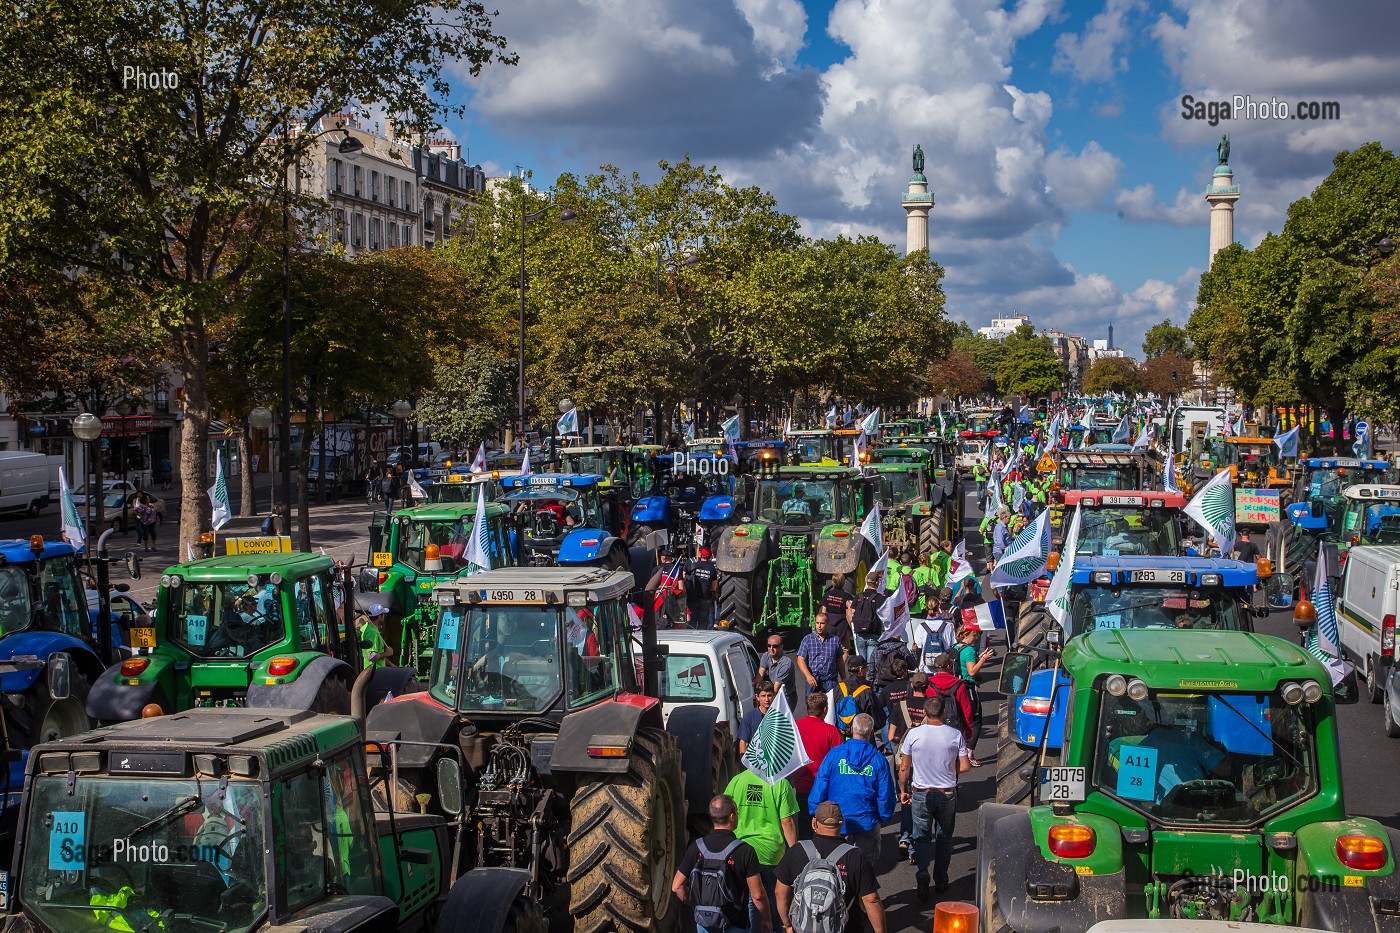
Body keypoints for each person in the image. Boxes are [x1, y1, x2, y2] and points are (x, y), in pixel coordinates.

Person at [899, 695, 971, 902]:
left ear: (924, 713)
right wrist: (949, 768)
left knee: (921, 836)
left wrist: (903, 790)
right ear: (944, 712)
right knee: (944, 837)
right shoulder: (955, 734)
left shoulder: (914, 734)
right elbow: (965, 766)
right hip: (947, 792)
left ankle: (922, 872)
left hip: (921, 792)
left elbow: (905, 766)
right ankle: (941, 880)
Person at [775, 802, 885, 933]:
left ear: (814, 823)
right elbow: (871, 900)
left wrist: (788, 925)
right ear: (842, 823)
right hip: (846, 927)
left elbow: (780, 892)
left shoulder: (798, 850)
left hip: (804, 927)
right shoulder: (855, 855)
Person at [674, 795, 772, 933]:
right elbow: (757, 895)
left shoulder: (696, 847)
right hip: (735, 925)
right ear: (732, 817)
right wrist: (766, 920)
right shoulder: (745, 850)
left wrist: (697, 905)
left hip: (704, 926)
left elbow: (677, 886)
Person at [807, 713, 895, 865]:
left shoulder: (835, 755)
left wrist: (815, 812)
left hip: (837, 820)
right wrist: (884, 815)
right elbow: (885, 795)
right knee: (864, 868)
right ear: (871, 731)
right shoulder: (878, 760)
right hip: (866, 820)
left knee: (836, 866)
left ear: (852, 729)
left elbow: (821, 785)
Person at [724, 764, 799, 931]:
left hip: (740, 853)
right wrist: (794, 853)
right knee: (772, 901)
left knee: (746, 901)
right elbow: (786, 822)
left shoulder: (736, 781)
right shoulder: (780, 783)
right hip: (770, 854)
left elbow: (724, 816)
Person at [792, 693, 842, 839]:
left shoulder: (795, 727)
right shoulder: (831, 731)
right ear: (825, 710)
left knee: (804, 826)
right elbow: (838, 762)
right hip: (824, 789)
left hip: (802, 786)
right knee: (826, 825)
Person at [953, 625, 994, 759]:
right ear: (966, 635)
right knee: (976, 720)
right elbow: (971, 671)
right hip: (968, 688)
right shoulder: (969, 650)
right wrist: (983, 659)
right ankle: (969, 753)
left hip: (956, 687)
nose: (976, 638)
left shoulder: (956, 647)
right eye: (974, 635)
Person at [834, 655, 882, 737]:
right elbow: (878, 719)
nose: (866, 670)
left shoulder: (838, 687)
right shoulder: (867, 690)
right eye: (865, 667)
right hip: (863, 735)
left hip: (842, 733)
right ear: (860, 669)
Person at [796, 612, 845, 694]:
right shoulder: (807, 639)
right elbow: (800, 660)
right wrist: (808, 676)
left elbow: (839, 661)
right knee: (812, 705)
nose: (819, 626)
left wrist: (843, 679)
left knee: (831, 705)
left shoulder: (835, 640)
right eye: (817, 623)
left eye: (822, 623)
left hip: (830, 679)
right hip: (813, 679)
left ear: (828, 624)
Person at [849, 572, 887, 663]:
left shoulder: (858, 597)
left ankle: (861, 677)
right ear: (877, 583)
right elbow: (885, 617)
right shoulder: (880, 598)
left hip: (860, 634)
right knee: (871, 664)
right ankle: (868, 678)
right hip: (874, 634)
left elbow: (851, 616)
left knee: (861, 663)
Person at [738, 680, 775, 756]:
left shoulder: (779, 717)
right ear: (757, 697)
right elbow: (743, 742)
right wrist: (745, 763)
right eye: (763, 696)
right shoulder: (749, 718)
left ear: (773, 696)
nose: (766, 699)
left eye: (769, 695)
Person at [819, 575, 855, 651]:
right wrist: (851, 629)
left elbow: (823, 612)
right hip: (842, 625)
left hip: (830, 624)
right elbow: (848, 614)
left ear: (833, 582)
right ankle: (840, 663)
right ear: (844, 583)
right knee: (844, 649)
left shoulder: (826, 595)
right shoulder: (847, 596)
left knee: (829, 647)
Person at [759, 636, 797, 709]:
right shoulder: (766, 656)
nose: (771, 649)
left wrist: (762, 697)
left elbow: (776, 688)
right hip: (772, 694)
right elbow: (760, 675)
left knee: (781, 720)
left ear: (781, 647)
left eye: (775, 646)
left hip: (785, 697)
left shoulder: (786, 664)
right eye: (769, 646)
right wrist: (753, 686)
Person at [688, 547, 720, 629]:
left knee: (692, 620)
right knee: (703, 621)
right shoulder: (712, 568)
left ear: (701, 555)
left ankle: (691, 636)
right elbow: (714, 586)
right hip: (705, 597)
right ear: (710, 557)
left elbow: (685, 576)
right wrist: (715, 594)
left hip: (692, 597)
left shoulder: (693, 565)